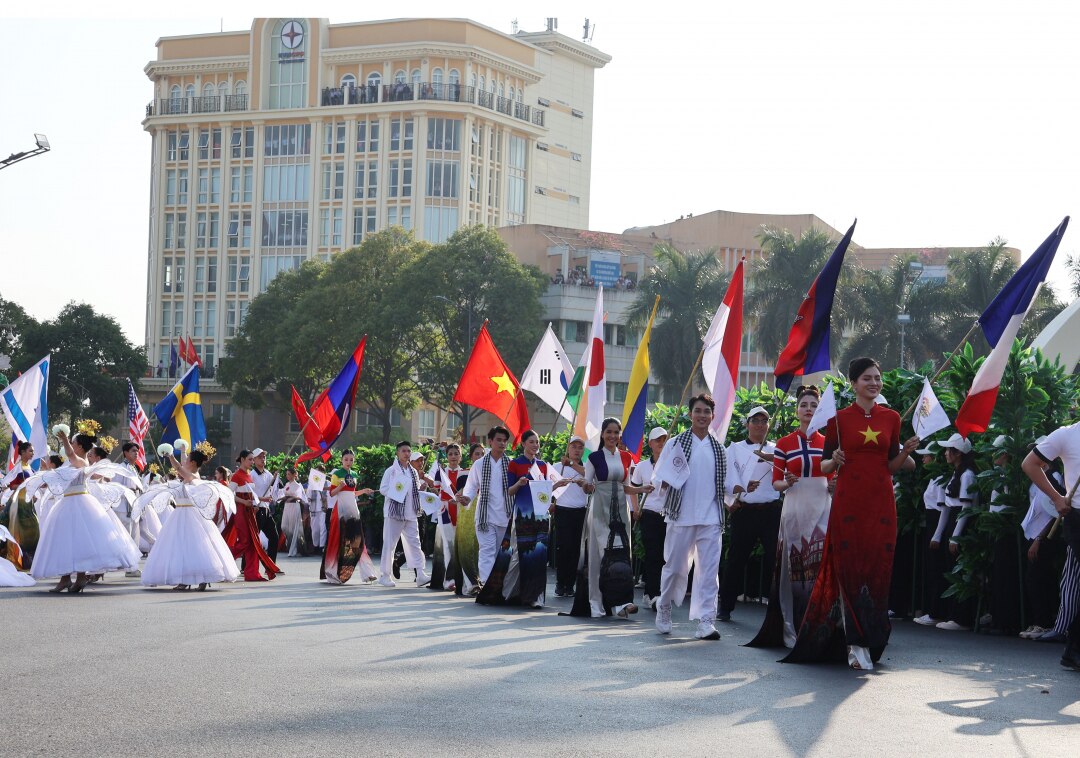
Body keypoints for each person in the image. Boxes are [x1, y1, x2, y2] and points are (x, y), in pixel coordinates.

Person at [783, 357, 918, 670]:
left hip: (882, 502)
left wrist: (906, 452)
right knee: (850, 568)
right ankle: (855, 643)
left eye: (877, 378)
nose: (873, 383)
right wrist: (836, 459)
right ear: (854, 384)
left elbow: (890, 466)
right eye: (866, 378)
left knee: (878, 568)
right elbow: (825, 466)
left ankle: (872, 636)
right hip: (848, 502)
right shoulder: (838, 419)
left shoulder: (892, 418)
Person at [748, 386, 832, 648]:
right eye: (804, 405)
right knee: (795, 571)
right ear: (796, 410)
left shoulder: (829, 442)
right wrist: (787, 482)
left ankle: (818, 627)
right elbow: (775, 484)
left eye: (814, 405)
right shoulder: (785, 443)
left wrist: (834, 484)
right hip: (795, 509)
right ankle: (791, 627)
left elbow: (833, 477)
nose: (809, 409)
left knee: (820, 570)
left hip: (823, 508)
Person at [652, 394, 728, 640]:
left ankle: (706, 621)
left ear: (712, 416)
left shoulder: (719, 448)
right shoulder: (676, 442)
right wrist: (663, 483)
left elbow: (727, 484)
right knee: (674, 567)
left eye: (707, 411)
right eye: (698, 411)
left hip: (711, 518)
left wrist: (738, 490)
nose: (702, 415)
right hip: (681, 515)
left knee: (708, 571)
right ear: (690, 414)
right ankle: (664, 608)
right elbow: (659, 476)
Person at [29, 429, 142, 593]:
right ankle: (70, 578)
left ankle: (74, 577)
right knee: (69, 541)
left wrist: (64, 440)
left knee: (76, 540)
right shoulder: (71, 463)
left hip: (79, 501)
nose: (71, 446)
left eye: (74, 443)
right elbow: (60, 478)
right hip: (68, 502)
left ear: (80, 446)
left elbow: (71, 456)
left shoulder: (81, 461)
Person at [139, 447, 239, 590]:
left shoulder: (193, 476)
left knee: (188, 546)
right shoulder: (190, 474)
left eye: (187, 459)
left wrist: (170, 456)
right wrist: (183, 450)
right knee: (183, 547)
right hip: (181, 512)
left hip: (188, 514)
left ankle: (188, 580)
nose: (184, 460)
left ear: (192, 462)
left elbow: (179, 468)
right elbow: (182, 466)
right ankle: (189, 579)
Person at [1023, 423, 1080, 671]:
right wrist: (1057, 497)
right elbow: (1029, 464)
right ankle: (1074, 649)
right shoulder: (1067, 434)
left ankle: (1073, 649)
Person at [720, 406, 781, 622]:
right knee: (736, 560)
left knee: (777, 560)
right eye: (755, 420)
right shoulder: (735, 448)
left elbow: (788, 466)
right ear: (747, 424)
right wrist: (728, 503)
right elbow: (725, 478)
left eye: (764, 421)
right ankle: (725, 607)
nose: (760, 425)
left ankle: (779, 608)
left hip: (771, 511)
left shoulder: (777, 448)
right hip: (744, 511)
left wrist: (768, 456)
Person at [582, 418, 648, 619]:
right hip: (599, 510)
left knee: (620, 555)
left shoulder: (627, 458)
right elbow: (587, 484)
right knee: (600, 555)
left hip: (620, 510)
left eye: (616, 432)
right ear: (602, 434)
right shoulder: (594, 458)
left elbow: (626, 487)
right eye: (608, 432)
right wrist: (585, 485)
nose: (612, 436)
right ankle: (597, 603)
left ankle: (621, 602)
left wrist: (641, 489)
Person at [478, 429, 552, 607]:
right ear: (524, 444)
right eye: (532, 442)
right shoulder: (515, 464)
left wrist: (558, 484)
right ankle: (506, 593)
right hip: (522, 514)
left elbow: (546, 491)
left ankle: (535, 597)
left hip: (540, 516)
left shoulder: (543, 465)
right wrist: (519, 483)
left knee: (538, 555)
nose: (535, 445)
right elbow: (509, 491)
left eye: (537, 442)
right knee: (519, 555)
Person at [926, 433, 978, 632]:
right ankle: (953, 613)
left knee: (960, 570)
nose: (946, 454)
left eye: (949, 450)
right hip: (952, 524)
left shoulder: (967, 475)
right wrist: (938, 534)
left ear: (958, 454)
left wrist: (955, 536)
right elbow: (946, 507)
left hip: (962, 525)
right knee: (951, 568)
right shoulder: (956, 474)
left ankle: (962, 617)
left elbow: (965, 508)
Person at [459, 428, 513, 591]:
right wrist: (466, 498)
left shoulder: (511, 463)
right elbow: (471, 486)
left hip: (506, 516)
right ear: (490, 441)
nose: (502, 443)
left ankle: (499, 586)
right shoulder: (480, 463)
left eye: (504, 440)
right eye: (498, 440)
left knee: (501, 553)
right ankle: (487, 587)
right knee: (487, 551)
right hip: (485, 516)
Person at [378, 442, 430, 588]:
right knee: (390, 544)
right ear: (397, 453)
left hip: (411, 513)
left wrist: (422, 487)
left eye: (408, 451)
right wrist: (395, 493)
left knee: (415, 544)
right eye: (403, 451)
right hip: (394, 513)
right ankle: (385, 575)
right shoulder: (391, 471)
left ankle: (420, 574)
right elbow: (383, 489)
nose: (406, 453)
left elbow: (415, 490)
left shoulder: (413, 471)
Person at [321, 450, 377, 585]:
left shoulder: (354, 474)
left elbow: (352, 493)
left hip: (353, 510)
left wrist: (363, 491)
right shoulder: (336, 474)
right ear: (341, 460)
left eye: (351, 459)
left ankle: (367, 574)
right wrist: (340, 486)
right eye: (346, 459)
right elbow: (332, 493)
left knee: (358, 540)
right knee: (338, 542)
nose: (349, 462)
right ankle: (333, 572)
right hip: (340, 510)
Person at [228, 450, 280, 582]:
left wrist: (255, 503)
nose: (252, 462)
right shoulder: (236, 476)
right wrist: (243, 501)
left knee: (253, 543)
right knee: (245, 541)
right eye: (250, 459)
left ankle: (252, 573)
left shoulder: (248, 475)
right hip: (241, 511)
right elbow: (228, 494)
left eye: (252, 459)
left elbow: (253, 495)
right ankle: (224, 560)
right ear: (243, 459)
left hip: (251, 511)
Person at [629, 428, 667, 610]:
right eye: (657, 440)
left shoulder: (672, 464)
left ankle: (655, 592)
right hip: (649, 514)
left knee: (665, 556)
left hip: (668, 515)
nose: (661, 443)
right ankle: (653, 594)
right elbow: (633, 489)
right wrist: (636, 509)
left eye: (664, 439)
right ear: (650, 443)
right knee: (653, 555)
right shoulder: (642, 466)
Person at [913, 446, 949, 625]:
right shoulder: (933, 478)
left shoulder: (941, 479)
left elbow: (943, 508)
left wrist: (937, 534)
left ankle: (937, 612)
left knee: (937, 569)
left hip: (936, 523)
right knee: (931, 568)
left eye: (926, 456)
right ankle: (931, 609)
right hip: (930, 521)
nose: (923, 459)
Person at [552, 435, 588, 598]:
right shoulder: (557, 467)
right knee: (563, 548)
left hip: (580, 511)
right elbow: (547, 489)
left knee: (575, 550)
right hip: (562, 510)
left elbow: (590, 481)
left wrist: (573, 466)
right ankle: (561, 583)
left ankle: (570, 585)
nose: (577, 450)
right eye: (574, 446)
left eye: (580, 447)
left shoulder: (587, 467)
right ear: (568, 448)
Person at [1, 441, 40, 569]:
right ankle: (15, 560)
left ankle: (29, 560)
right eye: (30, 451)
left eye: (33, 451)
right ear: (22, 452)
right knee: (18, 532)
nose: (32, 453)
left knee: (34, 529)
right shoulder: (18, 468)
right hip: (19, 503)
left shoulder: (30, 468)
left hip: (28, 502)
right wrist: (25, 486)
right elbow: (10, 485)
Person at [249, 449, 280, 562]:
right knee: (254, 538)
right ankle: (245, 565)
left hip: (266, 509)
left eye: (264, 457)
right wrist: (263, 499)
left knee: (274, 537)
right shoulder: (251, 475)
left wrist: (275, 478)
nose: (263, 459)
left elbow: (276, 487)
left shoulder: (268, 474)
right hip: (256, 509)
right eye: (260, 457)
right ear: (254, 460)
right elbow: (250, 495)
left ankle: (271, 563)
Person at [277, 468, 308, 558]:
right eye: (287, 474)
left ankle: (293, 550)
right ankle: (292, 545)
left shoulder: (298, 485)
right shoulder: (287, 484)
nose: (287, 476)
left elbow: (300, 497)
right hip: (287, 507)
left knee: (295, 529)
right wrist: (281, 498)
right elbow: (283, 494)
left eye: (289, 474)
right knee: (284, 526)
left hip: (295, 506)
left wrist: (291, 497)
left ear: (294, 474)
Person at [307, 464, 329, 553]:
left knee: (323, 528)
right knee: (315, 529)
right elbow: (308, 496)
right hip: (314, 508)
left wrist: (325, 498)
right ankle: (315, 545)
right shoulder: (311, 483)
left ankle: (321, 547)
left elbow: (330, 494)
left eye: (319, 471)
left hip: (323, 508)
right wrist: (309, 499)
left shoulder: (327, 483)